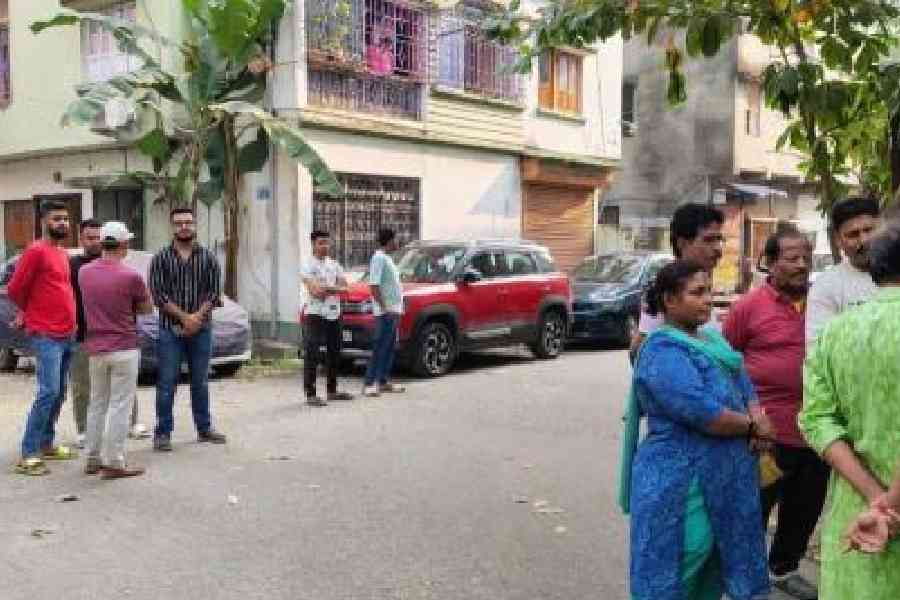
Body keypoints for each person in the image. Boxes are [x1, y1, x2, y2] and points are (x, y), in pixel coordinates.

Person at [620, 260, 774, 600]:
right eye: (697, 293)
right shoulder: (661, 350)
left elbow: (742, 380)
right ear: (669, 301)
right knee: (684, 558)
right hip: (680, 479)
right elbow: (702, 412)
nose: (708, 299)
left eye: (709, 291)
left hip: (727, 476)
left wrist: (756, 415)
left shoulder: (711, 340)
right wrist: (753, 425)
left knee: (715, 563)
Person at [723, 229, 826, 600]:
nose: (801, 265)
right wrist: (746, 420)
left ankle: (785, 568)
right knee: (754, 509)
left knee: (804, 508)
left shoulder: (822, 302)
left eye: (805, 257)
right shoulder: (748, 307)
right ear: (770, 262)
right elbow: (725, 363)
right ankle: (743, 579)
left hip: (818, 431)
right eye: (791, 258)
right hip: (765, 436)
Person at [799, 221, 900, 599]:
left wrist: (876, 498)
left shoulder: (835, 332)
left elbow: (815, 419)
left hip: (856, 517)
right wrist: (890, 504)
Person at [149, 207, 226, 451]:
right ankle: (162, 433)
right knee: (166, 382)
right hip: (169, 330)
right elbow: (158, 296)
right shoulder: (160, 258)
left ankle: (204, 428)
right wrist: (185, 318)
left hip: (201, 330)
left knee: (200, 382)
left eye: (188, 222)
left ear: (195, 225)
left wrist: (196, 318)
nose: (184, 226)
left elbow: (214, 293)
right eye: (179, 223)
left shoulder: (209, 258)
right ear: (171, 226)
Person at [9, 201, 78, 476]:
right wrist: (29, 313)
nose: (62, 223)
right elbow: (15, 289)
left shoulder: (61, 253)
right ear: (44, 222)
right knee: (48, 391)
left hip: (67, 333)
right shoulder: (35, 251)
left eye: (65, 219)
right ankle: (28, 453)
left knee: (59, 392)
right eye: (56, 219)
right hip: (46, 333)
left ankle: (46, 443)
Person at [80, 222, 152, 479]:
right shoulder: (131, 276)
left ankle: (92, 457)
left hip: (96, 347)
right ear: (123, 245)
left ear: (101, 243)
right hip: (124, 346)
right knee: (120, 405)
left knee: (97, 403)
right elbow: (146, 309)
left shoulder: (85, 273)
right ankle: (114, 461)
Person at [630, 203, 725, 359]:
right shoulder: (666, 288)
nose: (718, 249)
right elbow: (639, 352)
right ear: (682, 243)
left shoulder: (717, 287)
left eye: (719, 240)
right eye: (708, 240)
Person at [806, 196, 880, 348]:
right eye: (853, 234)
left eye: (869, 230)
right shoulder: (826, 286)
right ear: (838, 240)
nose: (864, 240)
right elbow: (817, 347)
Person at [300, 230, 354, 406]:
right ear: (313, 245)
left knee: (335, 352)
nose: (325, 246)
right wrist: (333, 288)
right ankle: (311, 393)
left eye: (327, 243)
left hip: (334, 313)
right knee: (312, 353)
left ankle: (332, 390)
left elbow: (346, 289)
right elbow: (315, 292)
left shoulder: (334, 265)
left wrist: (327, 288)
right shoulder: (307, 265)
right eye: (321, 243)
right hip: (315, 314)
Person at [363, 228, 406, 398]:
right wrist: (384, 307)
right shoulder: (379, 258)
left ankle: (383, 380)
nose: (397, 243)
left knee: (389, 347)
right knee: (380, 346)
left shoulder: (387, 258)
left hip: (394, 310)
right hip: (385, 312)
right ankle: (370, 383)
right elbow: (374, 285)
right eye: (395, 239)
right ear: (389, 241)